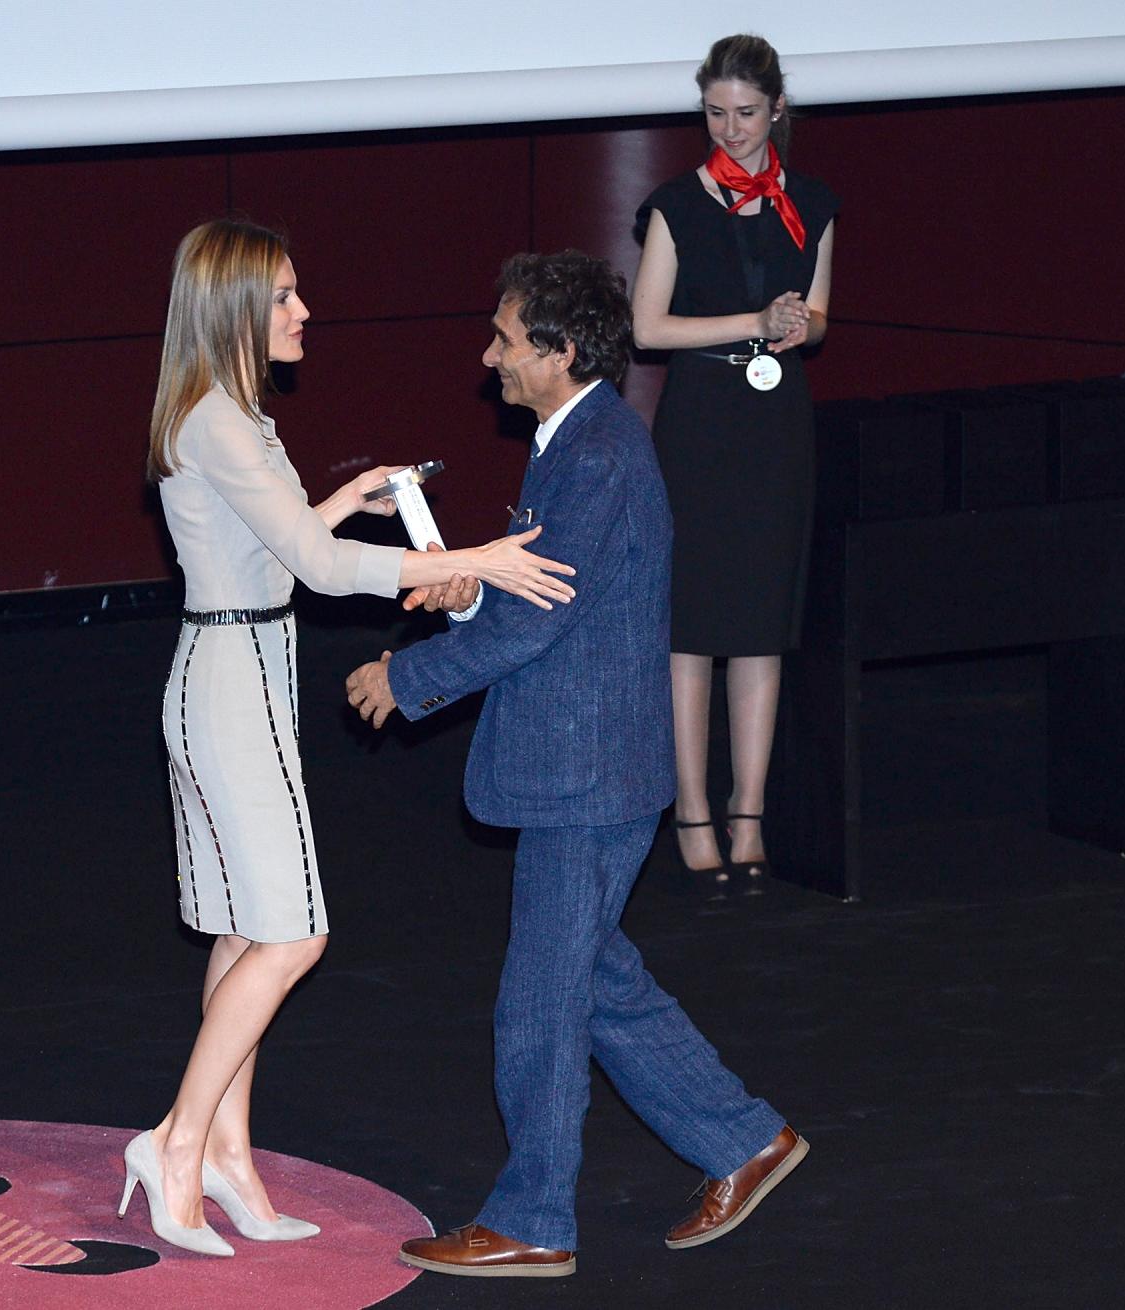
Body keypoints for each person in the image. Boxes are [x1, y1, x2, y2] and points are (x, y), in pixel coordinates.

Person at [121, 219, 577, 1258]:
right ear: (235, 306)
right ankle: (176, 1143)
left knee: (244, 929)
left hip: (231, 661)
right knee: (294, 931)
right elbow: (321, 574)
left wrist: (346, 500)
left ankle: (227, 1154)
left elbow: (279, 557)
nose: (302, 311)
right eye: (283, 295)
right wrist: (474, 558)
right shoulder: (224, 423)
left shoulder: (225, 414)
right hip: (232, 678)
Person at [346, 251, 806, 1279]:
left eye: (505, 339)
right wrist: (464, 594)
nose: (488, 355)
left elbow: (533, 632)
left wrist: (407, 676)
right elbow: (533, 598)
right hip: (588, 765)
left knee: (541, 1001)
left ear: (555, 351)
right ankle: (742, 1138)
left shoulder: (593, 455)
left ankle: (534, 1216)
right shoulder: (576, 440)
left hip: (585, 772)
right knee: (594, 977)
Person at [632, 34, 838, 891]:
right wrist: (753, 321)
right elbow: (647, 329)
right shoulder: (677, 204)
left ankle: (748, 810)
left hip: (776, 421)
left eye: (746, 113)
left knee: (760, 620)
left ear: (778, 109)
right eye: (715, 113)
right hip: (702, 420)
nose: (731, 129)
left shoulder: (813, 202)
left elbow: (821, 315)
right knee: (692, 628)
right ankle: (692, 811)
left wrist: (797, 327)